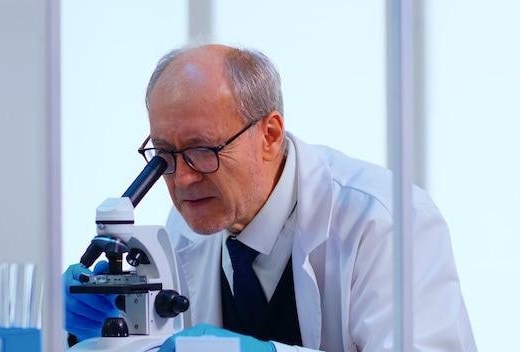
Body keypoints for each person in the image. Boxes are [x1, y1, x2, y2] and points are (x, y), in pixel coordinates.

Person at [64, 43, 477, 351]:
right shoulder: (190, 226)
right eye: (164, 155)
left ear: (270, 135)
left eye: (203, 149)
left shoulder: (386, 222)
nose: (184, 179)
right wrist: (116, 326)